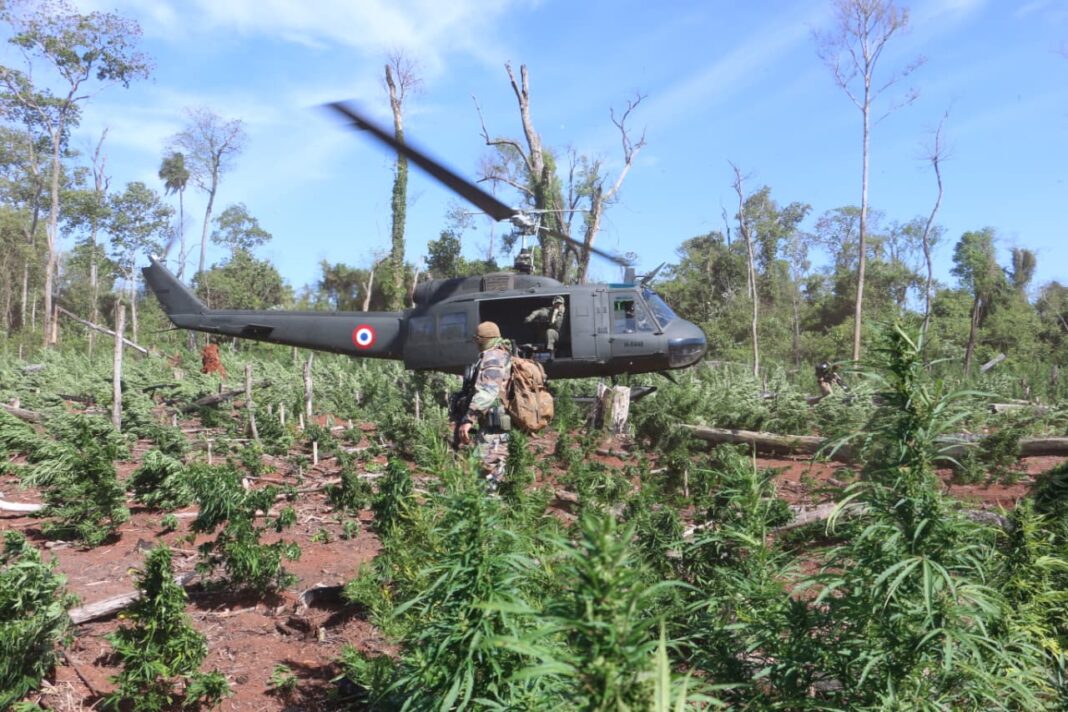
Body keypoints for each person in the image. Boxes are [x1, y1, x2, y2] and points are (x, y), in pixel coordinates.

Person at [457, 321, 512, 492]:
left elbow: (488, 391)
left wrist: (468, 419)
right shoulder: (502, 354)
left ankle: (490, 505)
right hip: (494, 427)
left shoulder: (493, 357)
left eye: (477, 340)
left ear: (483, 340)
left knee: (486, 476)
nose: (476, 344)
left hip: (493, 429)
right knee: (489, 474)